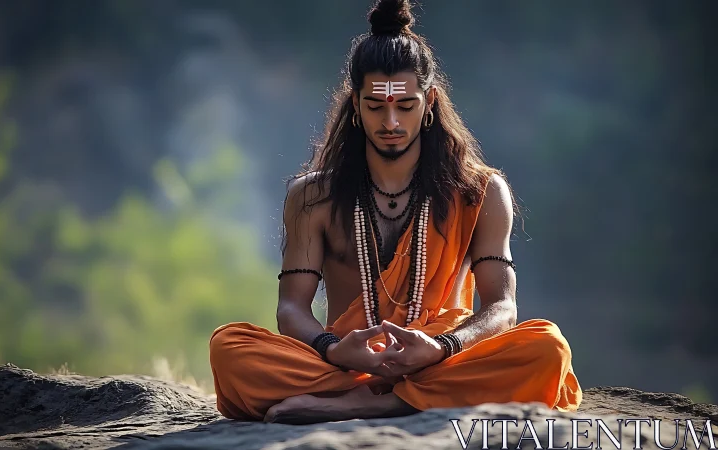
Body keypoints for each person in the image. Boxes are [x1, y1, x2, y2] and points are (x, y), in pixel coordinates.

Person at [209, 0, 582, 424]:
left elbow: (502, 307)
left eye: (405, 106)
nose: (391, 122)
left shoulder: (479, 191)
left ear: (430, 103)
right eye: (375, 106)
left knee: (547, 348)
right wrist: (332, 347)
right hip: (345, 363)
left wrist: (443, 348)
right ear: (355, 105)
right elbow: (291, 309)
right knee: (230, 348)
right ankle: (394, 396)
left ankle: (378, 404)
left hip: (440, 358)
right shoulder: (312, 196)